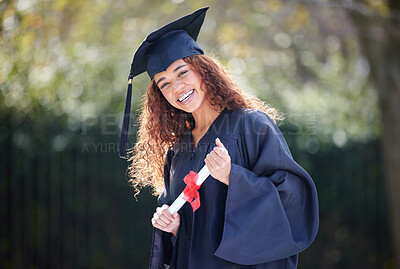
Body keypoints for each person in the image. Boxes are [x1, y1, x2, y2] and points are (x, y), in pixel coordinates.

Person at [119, 7, 319, 269]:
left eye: (182, 72)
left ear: (203, 70)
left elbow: (292, 201)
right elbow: (188, 238)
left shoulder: (251, 126)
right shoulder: (177, 152)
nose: (176, 87)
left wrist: (232, 177)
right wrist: (175, 228)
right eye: (164, 83)